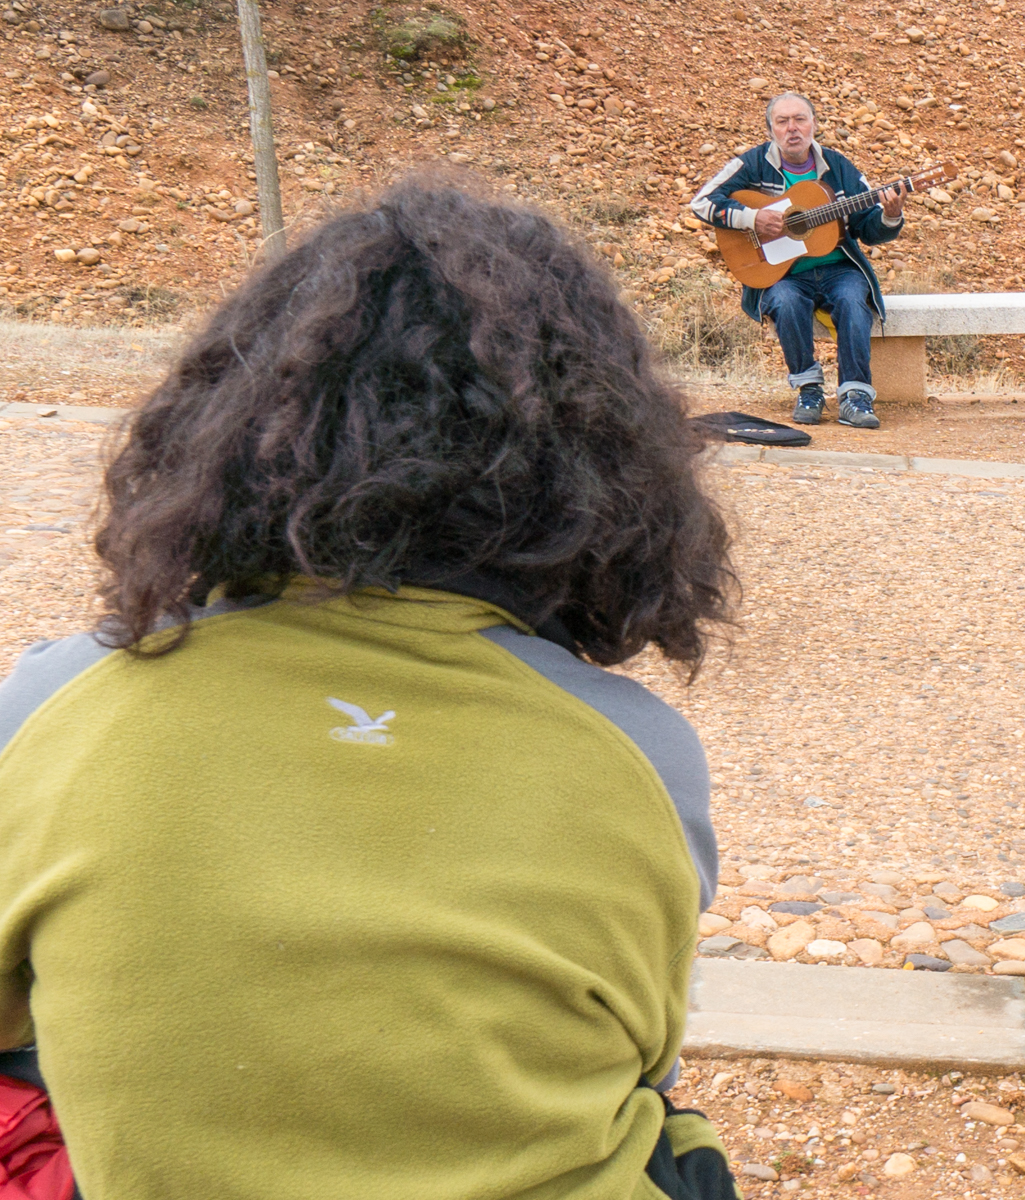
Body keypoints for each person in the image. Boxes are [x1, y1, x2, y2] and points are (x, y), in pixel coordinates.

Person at [0, 179, 741, 1200]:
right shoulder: (641, 753)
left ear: (218, 429)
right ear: (602, 467)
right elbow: (637, 1056)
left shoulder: (54, 704)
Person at [691, 91, 907, 429]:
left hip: (839, 268)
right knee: (786, 301)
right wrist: (751, 219)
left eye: (800, 119)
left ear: (814, 125)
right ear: (771, 130)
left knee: (854, 299)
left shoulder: (838, 167)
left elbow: (868, 228)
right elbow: (702, 202)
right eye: (783, 121)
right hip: (783, 274)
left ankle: (855, 396)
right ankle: (808, 388)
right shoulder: (752, 164)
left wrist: (890, 216)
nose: (792, 128)